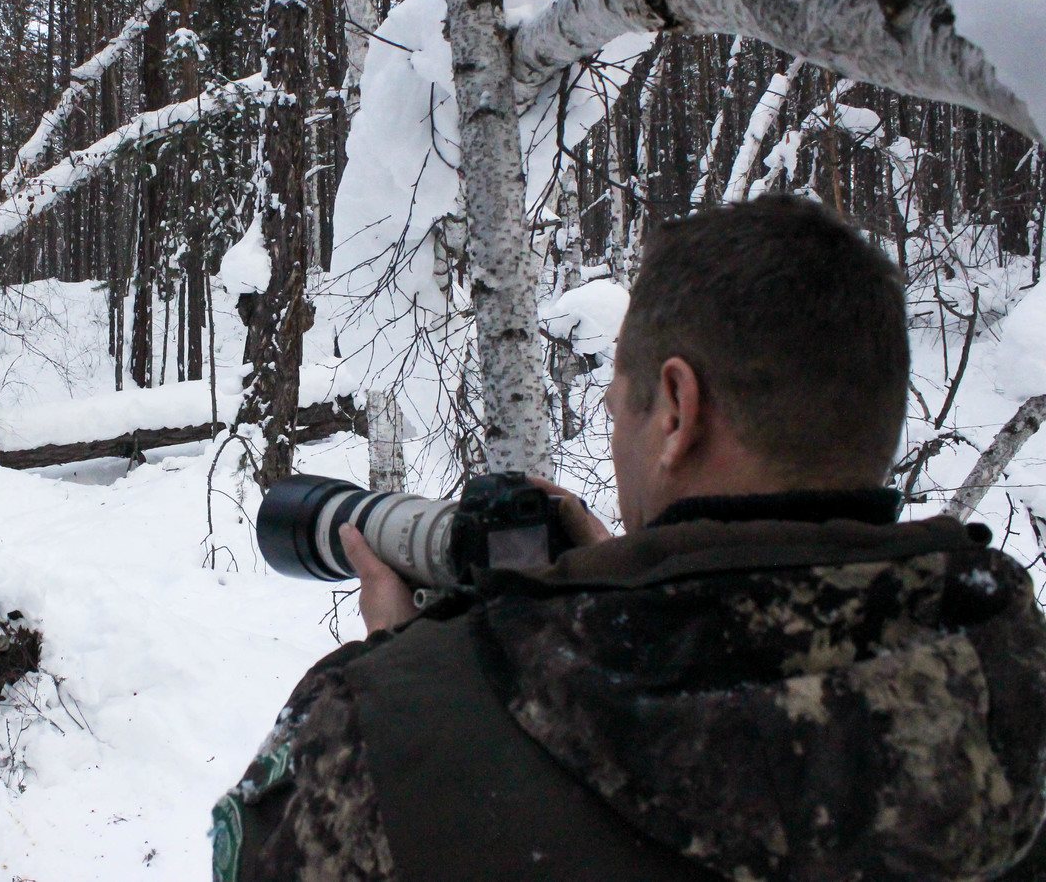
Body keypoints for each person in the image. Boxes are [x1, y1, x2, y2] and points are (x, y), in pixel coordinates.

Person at [211, 195, 1046, 882]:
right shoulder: (1012, 675)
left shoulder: (393, 733)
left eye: (618, 404)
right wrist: (630, 581)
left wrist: (407, 677)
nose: (613, 431)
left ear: (676, 412)